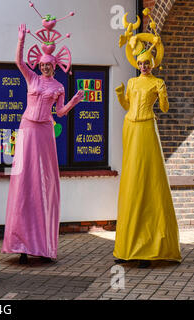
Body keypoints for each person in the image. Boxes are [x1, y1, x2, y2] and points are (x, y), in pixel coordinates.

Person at [2, 19, 84, 264]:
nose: (46, 68)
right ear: (39, 65)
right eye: (43, 65)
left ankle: (44, 245)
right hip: (27, 128)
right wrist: (21, 40)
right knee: (25, 180)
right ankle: (21, 244)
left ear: (55, 66)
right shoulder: (32, 79)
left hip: (45, 131)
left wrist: (74, 101)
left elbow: (59, 113)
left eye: (49, 65)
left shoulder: (58, 86)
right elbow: (19, 62)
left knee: (44, 182)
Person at [114, 9, 181, 268]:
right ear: (137, 64)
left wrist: (163, 92)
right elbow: (126, 105)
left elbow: (163, 109)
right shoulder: (132, 83)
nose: (143, 66)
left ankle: (150, 247)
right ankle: (128, 247)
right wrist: (120, 94)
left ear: (152, 64)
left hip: (147, 129)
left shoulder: (157, 82)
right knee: (132, 180)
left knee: (148, 180)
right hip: (130, 127)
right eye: (140, 63)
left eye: (147, 63)